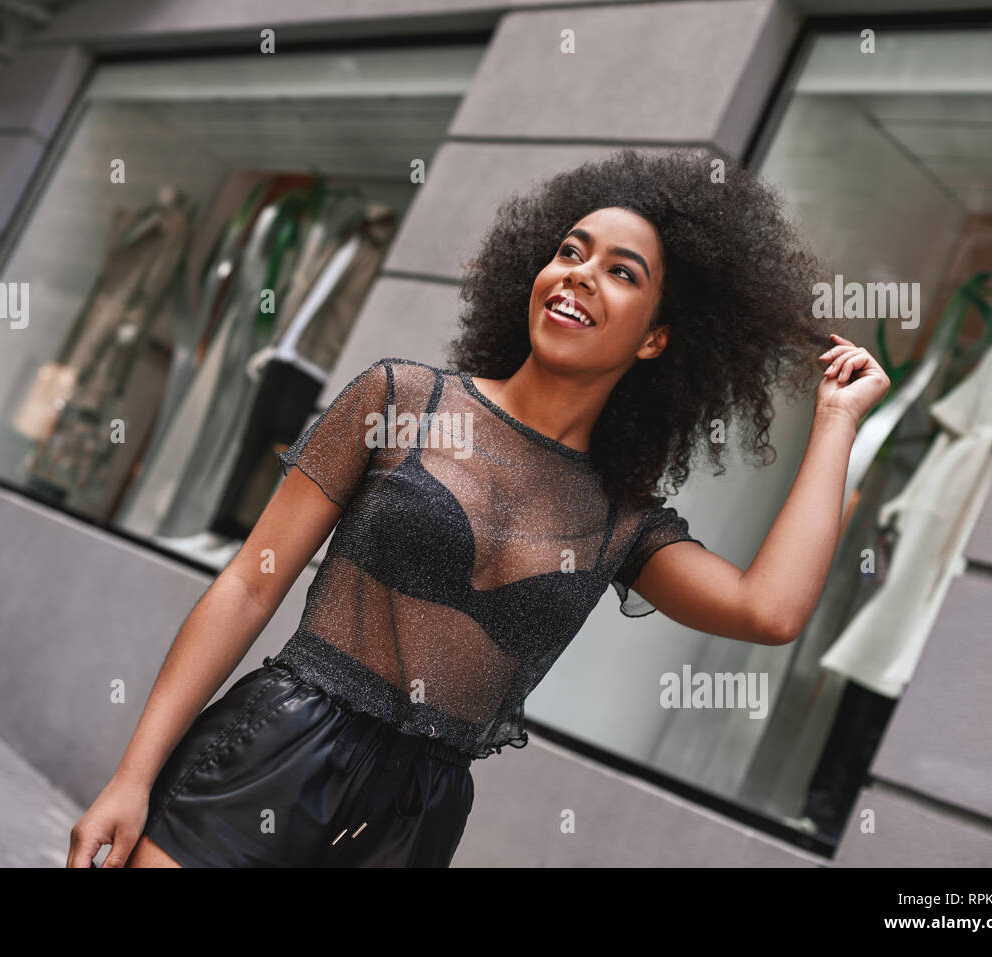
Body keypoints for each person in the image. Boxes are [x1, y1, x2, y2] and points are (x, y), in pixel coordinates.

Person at [66, 148, 890, 868]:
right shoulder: (400, 400)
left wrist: (835, 424)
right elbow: (250, 582)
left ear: (655, 340)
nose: (578, 274)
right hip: (274, 756)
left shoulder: (622, 520)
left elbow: (770, 609)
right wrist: (133, 775)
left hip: (413, 820)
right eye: (571, 251)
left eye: (620, 271)